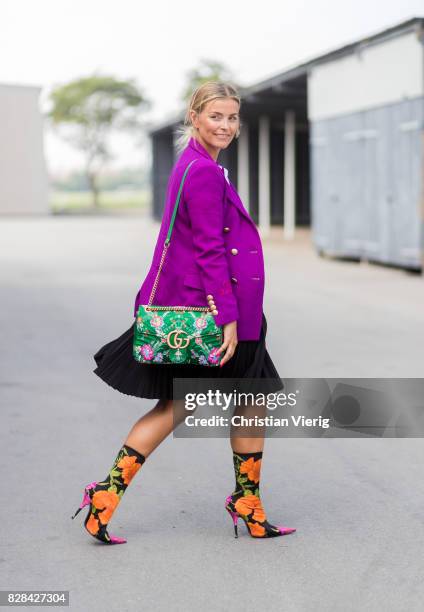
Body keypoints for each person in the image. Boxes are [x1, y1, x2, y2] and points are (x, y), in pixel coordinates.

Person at [71, 81, 296, 543]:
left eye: (233, 118)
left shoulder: (194, 163)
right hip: (216, 311)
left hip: (214, 306)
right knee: (191, 404)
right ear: (194, 116)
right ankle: (241, 503)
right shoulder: (204, 172)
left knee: (239, 400)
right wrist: (227, 316)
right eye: (217, 116)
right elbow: (212, 249)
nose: (227, 126)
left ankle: (108, 498)